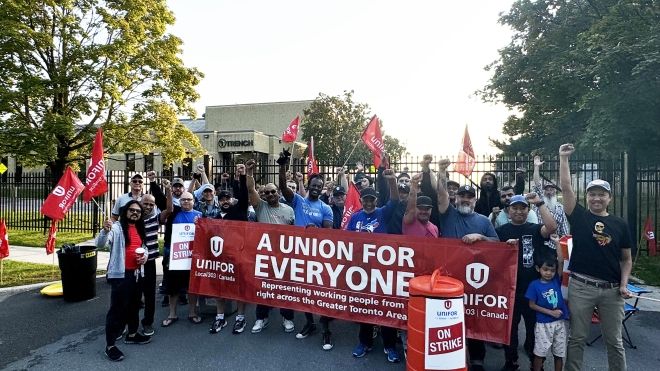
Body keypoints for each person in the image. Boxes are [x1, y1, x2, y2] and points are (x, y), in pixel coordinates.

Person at [559, 143, 633, 371]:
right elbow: (567, 187)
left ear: (609, 198)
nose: (596, 199)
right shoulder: (579, 217)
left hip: (612, 291)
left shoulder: (620, 224)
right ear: (587, 196)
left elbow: (626, 259)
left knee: (614, 341)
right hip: (581, 286)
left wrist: (623, 284)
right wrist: (563, 159)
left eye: (602, 194)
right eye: (592, 194)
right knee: (577, 338)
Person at [435, 159, 499, 371]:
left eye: (469, 197)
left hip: (475, 278)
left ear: (474, 200)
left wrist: (480, 236)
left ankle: (477, 358)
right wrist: (442, 172)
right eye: (462, 195)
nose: (465, 199)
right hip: (449, 275)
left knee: (475, 316)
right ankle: (450, 355)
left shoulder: (484, 221)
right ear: (457, 198)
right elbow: (442, 196)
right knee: (449, 316)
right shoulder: (448, 213)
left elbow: (498, 246)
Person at [277, 149, 334, 349]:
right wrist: (282, 166)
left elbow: (329, 234)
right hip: (301, 254)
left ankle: (326, 330)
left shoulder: (325, 208)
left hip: (319, 256)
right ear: (308, 185)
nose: (317, 187)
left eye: (320, 185)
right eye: (314, 184)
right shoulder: (298, 202)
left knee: (323, 293)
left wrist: (315, 231)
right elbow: (283, 187)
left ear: (322, 188)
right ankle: (310, 323)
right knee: (305, 292)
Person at [496, 194, 557, 371]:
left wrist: (540, 203)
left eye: (523, 207)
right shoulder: (501, 231)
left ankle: (535, 363)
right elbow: (490, 251)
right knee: (510, 329)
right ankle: (511, 361)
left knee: (535, 329)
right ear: (508, 211)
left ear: (528, 210)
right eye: (514, 207)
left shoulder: (535, 229)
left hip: (533, 290)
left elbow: (552, 227)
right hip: (510, 289)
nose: (519, 211)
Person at [347, 169, 401, 363]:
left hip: (383, 271)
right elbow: (345, 241)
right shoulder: (355, 218)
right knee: (365, 308)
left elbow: (394, 200)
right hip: (362, 271)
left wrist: (392, 181)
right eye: (365, 200)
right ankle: (365, 342)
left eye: (372, 199)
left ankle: (389, 345)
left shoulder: (382, 214)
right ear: (361, 201)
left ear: (376, 201)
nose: (368, 203)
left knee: (385, 307)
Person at [245, 160, 298, 337]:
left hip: (284, 256)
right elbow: (251, 190)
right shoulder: (260, 207)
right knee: (263, 287)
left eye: (273, 191)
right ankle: (261, 318)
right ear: (264, 195)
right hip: (265, 256)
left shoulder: (289, 210)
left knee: (285, 288)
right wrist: (250, 173)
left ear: (278, 192)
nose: (270, 194)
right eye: (267, 192)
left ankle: (287, 317)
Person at [96, 200, 153, 361]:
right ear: (125, 211)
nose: (135, 213)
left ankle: (132, 334)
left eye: (138, 211)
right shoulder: (116, 227)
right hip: (121, 275)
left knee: (134, 306)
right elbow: (100, 244)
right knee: (117, 310)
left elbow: (145, 248)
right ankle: (110, 345)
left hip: (136, 274)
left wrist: (145, 257)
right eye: (132, 210)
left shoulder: (140, 229)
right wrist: (104, 231)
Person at [209, 164, 249, 335]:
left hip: (238, 257)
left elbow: (244, 195)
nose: (226, 201)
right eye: (222, 198)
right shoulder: (215, 218)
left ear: (232, 199)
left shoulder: (239, 212)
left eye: (228, 198)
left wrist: (241, 176)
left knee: (239, 288)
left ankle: (240, 318)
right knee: (220, 288)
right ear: (218, 200)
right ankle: (220, 317)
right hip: (221, 260)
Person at [526, 235, 569, 371]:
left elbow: (560, 261)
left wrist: (557, 244)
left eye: (552, 270)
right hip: (543, 324)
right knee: (540, 353)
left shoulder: (556, 280)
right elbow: (531, 305)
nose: (549, 273)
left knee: (559, 353)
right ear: (538, 269)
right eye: (545, 270)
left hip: (559, 323)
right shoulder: (534, 285)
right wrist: (551, 312)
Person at [161, 191, 203, 327]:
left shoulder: (200, 215)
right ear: (179, 202)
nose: (186, 202)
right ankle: (172, 314)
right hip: (176, 257)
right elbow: (166, 207)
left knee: (192, 287)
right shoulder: (174, 214)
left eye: (189, 199)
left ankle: (192, 313)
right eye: (183, 200)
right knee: (173, 288)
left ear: (194, 201)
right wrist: (167, 189)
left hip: (192, 257)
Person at [139, 189, 171, 337]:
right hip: (134, 264)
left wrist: (168, 190)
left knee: (150, 295)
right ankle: (127, 323)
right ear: (140, 203)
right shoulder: (132, 220)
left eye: (151, 204)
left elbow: (169, 209)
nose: (148, 206)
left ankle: (147, 323)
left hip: (150, 263)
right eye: (145, 203)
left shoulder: (155, 219)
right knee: (132, 294)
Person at [532, 155, 570, 245]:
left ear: (555, 191)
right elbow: (537, 184)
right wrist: (536, 168)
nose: (549, 192)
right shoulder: (538, 203)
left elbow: (564, 232)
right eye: (547, 189)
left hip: (554, 246)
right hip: (538, 244)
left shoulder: (560, 208)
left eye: (551, 189)